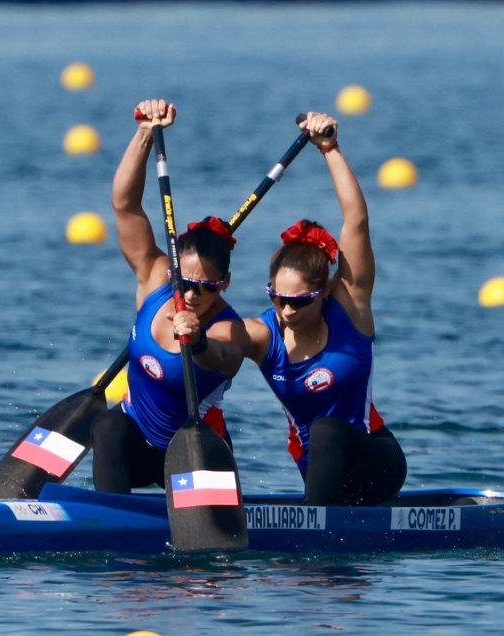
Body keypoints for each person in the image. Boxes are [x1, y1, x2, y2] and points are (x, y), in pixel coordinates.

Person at [243, 112, 406, 506]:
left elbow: (357, 220)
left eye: (299, 301)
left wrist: (329, 148)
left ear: (322, 292)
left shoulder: (350, 306)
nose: (286, 310)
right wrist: (195, 333)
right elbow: (220, 340)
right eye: (276, 297)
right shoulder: (263, 335)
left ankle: (314, 523)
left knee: (326, 430)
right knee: (320, 435)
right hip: (319, 473)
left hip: (375, 460)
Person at [91, 99, 250, 494]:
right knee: (108, 425)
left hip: (197, 453)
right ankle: (111, 521)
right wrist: (145, 133)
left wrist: (198, 341)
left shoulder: (231, 328)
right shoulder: (154, 276)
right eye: (185, 282)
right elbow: (124, 205)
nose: (192, 294)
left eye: (206, 287)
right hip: (136, 445)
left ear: (225, 283)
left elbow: (222, 358)